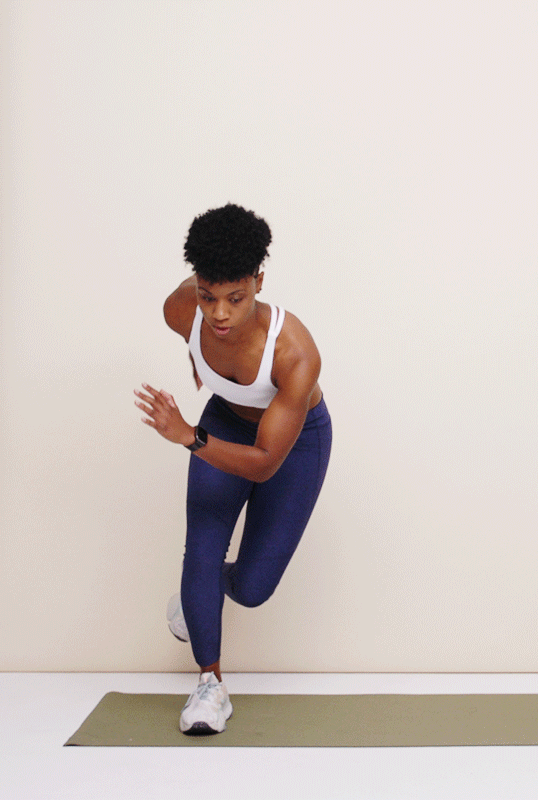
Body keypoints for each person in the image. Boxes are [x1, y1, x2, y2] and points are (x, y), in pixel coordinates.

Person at [134, 204, 332, 734]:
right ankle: (210, 687)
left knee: (252, 588)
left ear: (258, 282)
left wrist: (188, 436)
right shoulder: (182, 309)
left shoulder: (294, 352)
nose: (219, 314)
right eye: (208, 297)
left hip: (293, 443)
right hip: (225, 420)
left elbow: (264, 464)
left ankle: (200, 592)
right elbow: (195, 326)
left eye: (236, 298)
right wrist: (197, 361)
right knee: (201, 547)